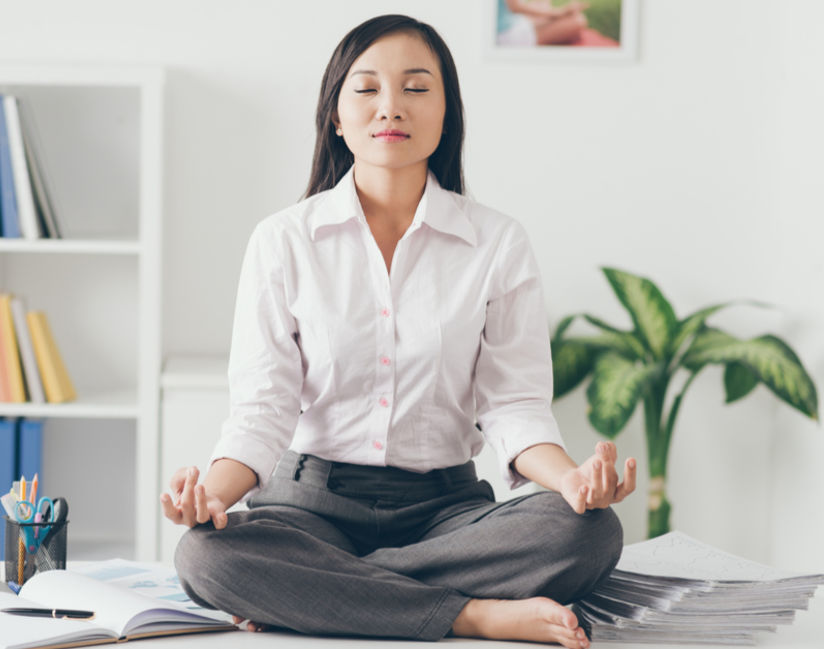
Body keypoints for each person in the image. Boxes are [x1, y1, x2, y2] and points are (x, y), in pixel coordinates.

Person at [160, 14, 635, 649]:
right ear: (335, 113)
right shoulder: (283, 240)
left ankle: (321, 595)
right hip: (309, 507)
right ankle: (471, 613)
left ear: (446, 113)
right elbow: (262, 408)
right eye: (367, 89)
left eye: (416, 88)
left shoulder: (496, 242)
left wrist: (572, 482)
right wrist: (210, 500)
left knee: (591, 532)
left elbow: (513, 405)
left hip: (446, 512)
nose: (392, 107)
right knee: (204, 557)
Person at [498, 0, 590, 47]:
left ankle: (552, 20)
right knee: (578, 21)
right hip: (507, 36)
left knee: (542, 2)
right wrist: (559, 13)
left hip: (513, 23)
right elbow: (515, 8)